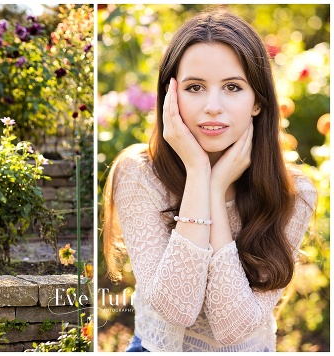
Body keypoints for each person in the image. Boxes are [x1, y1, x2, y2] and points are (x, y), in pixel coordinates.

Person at [101, 9, 317, 352]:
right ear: (171, 96)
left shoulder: (294, 192)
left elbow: (233, 328)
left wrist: (216, 191)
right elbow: (177, 308)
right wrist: (200, 173)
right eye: (195, 87)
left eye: (232, 87)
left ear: (258, 102)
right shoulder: (139, 174)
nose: (212, 106)